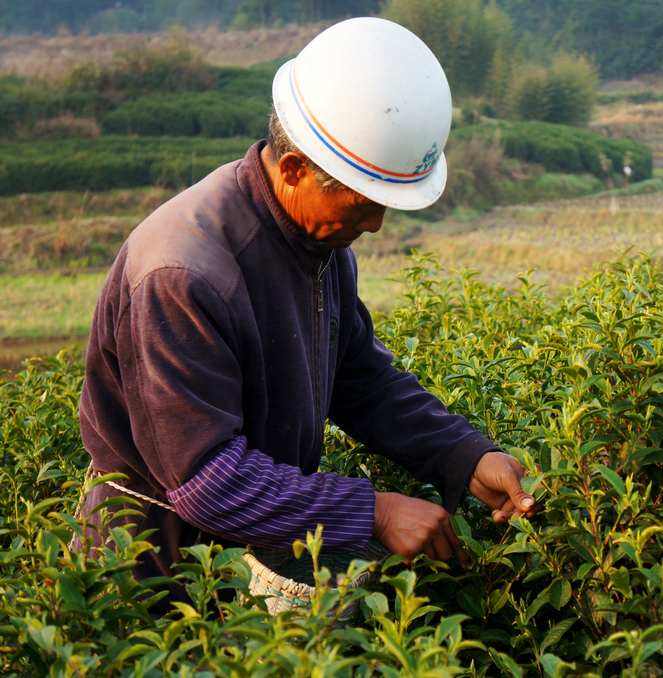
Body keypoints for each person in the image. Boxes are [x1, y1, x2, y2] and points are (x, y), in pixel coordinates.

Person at [73, 17, 536, 597]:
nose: (375, 225)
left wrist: (464, 456)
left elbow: (359, 378)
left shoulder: (315, 238)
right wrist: (374, 511)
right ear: (294, 170)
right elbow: (205, 481)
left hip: (257, 543)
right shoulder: (182, 274)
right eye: (364, 204)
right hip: (154, 567)